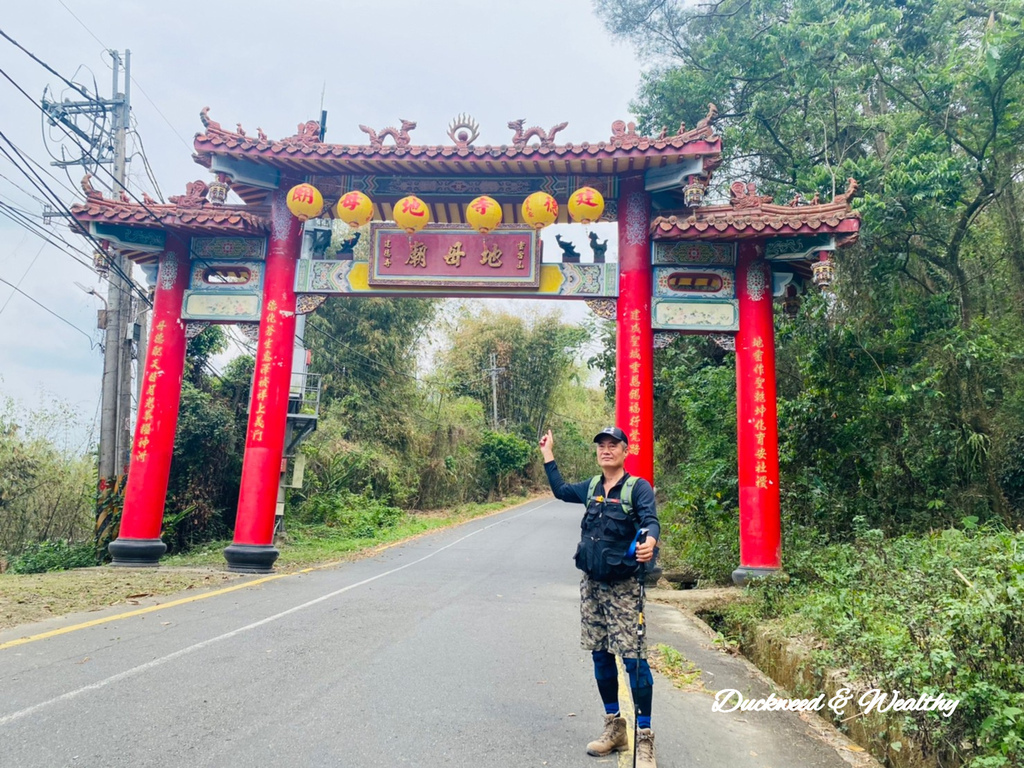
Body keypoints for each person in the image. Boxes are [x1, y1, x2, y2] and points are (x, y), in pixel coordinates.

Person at [539, 426, 660, 768]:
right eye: (602, 446)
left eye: (613, 445)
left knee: (634, 660)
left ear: (625, 451)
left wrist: (650, 540)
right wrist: (548, 453)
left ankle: (645, 737)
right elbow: (561, 491)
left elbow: (651, 522)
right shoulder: (592, 487)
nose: (606, 450)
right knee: (600, 655)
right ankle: (614, 727)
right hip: (592, 586)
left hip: (624, 589)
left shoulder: (638, 489)